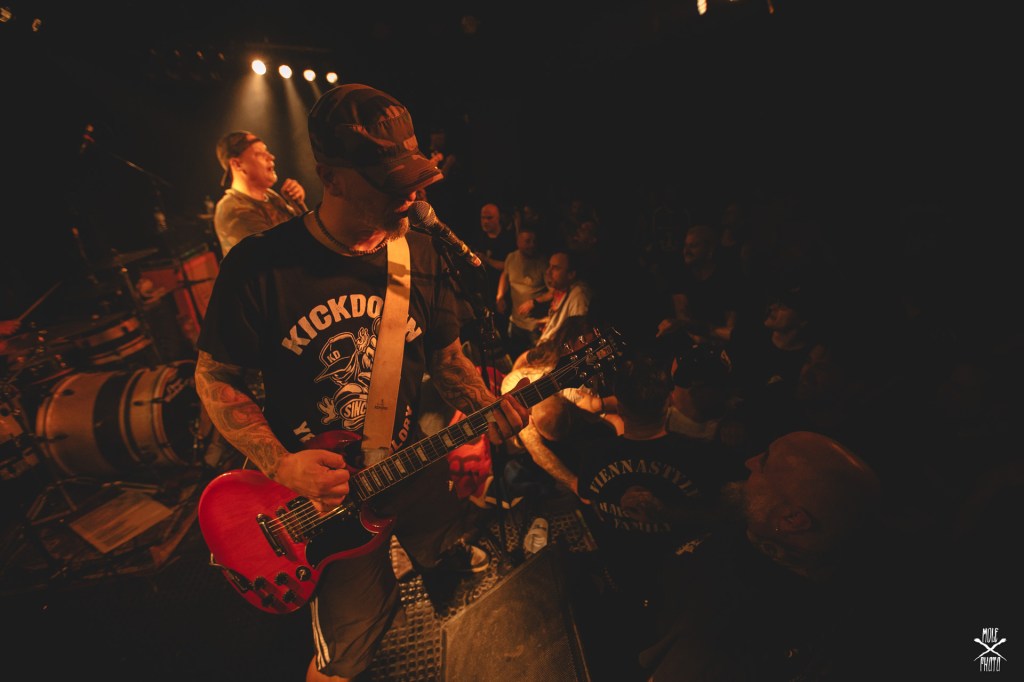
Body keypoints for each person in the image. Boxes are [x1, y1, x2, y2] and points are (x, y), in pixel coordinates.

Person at [194, 83, 530, 682]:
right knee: (346, 653)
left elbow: (447, 359)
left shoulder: (422, 254)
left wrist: (488, 405)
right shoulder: (260, 266)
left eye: (414, 177)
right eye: (389, 181)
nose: (412, 194)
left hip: (407, 460)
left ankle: (447, 577)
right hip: (316, 499)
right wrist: (281, 465)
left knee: (448, 545)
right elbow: (215, 378)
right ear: (332, 177)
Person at [638, 431, 897, 681]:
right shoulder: (775, 535)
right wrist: (667, 513)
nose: (749, 462)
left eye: (764, 463)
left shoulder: (730, 635)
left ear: (792, 519)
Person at [213, 130, 309, 258]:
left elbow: (305, 234)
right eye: (259, 153)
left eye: (267, 151)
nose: (271, 157)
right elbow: (279, 256)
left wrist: (297, 204)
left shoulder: (270, 196)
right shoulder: (232, 209)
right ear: (237, 164)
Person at [495, 222, 548, 359]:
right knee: (515, 357)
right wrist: (500, 296)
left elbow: (553, 292)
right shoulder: (511, 258)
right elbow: (505, 275)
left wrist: (534, 302)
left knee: (536, 361)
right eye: (527, 241)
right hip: (515, 323)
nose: (532, 245)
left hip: (535, 326)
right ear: (518, 242)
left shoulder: (542, 262)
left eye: (534, 241)